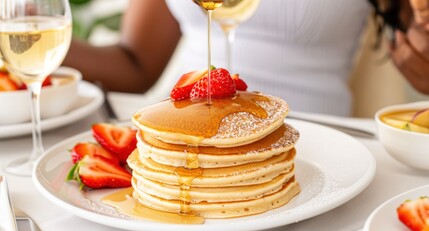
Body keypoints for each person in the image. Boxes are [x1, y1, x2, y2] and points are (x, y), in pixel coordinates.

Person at [63, 0, 429, 116]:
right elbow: (135, 63)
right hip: (190, 145)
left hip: (317, 148)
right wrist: (17, 35)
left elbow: (418, 43)